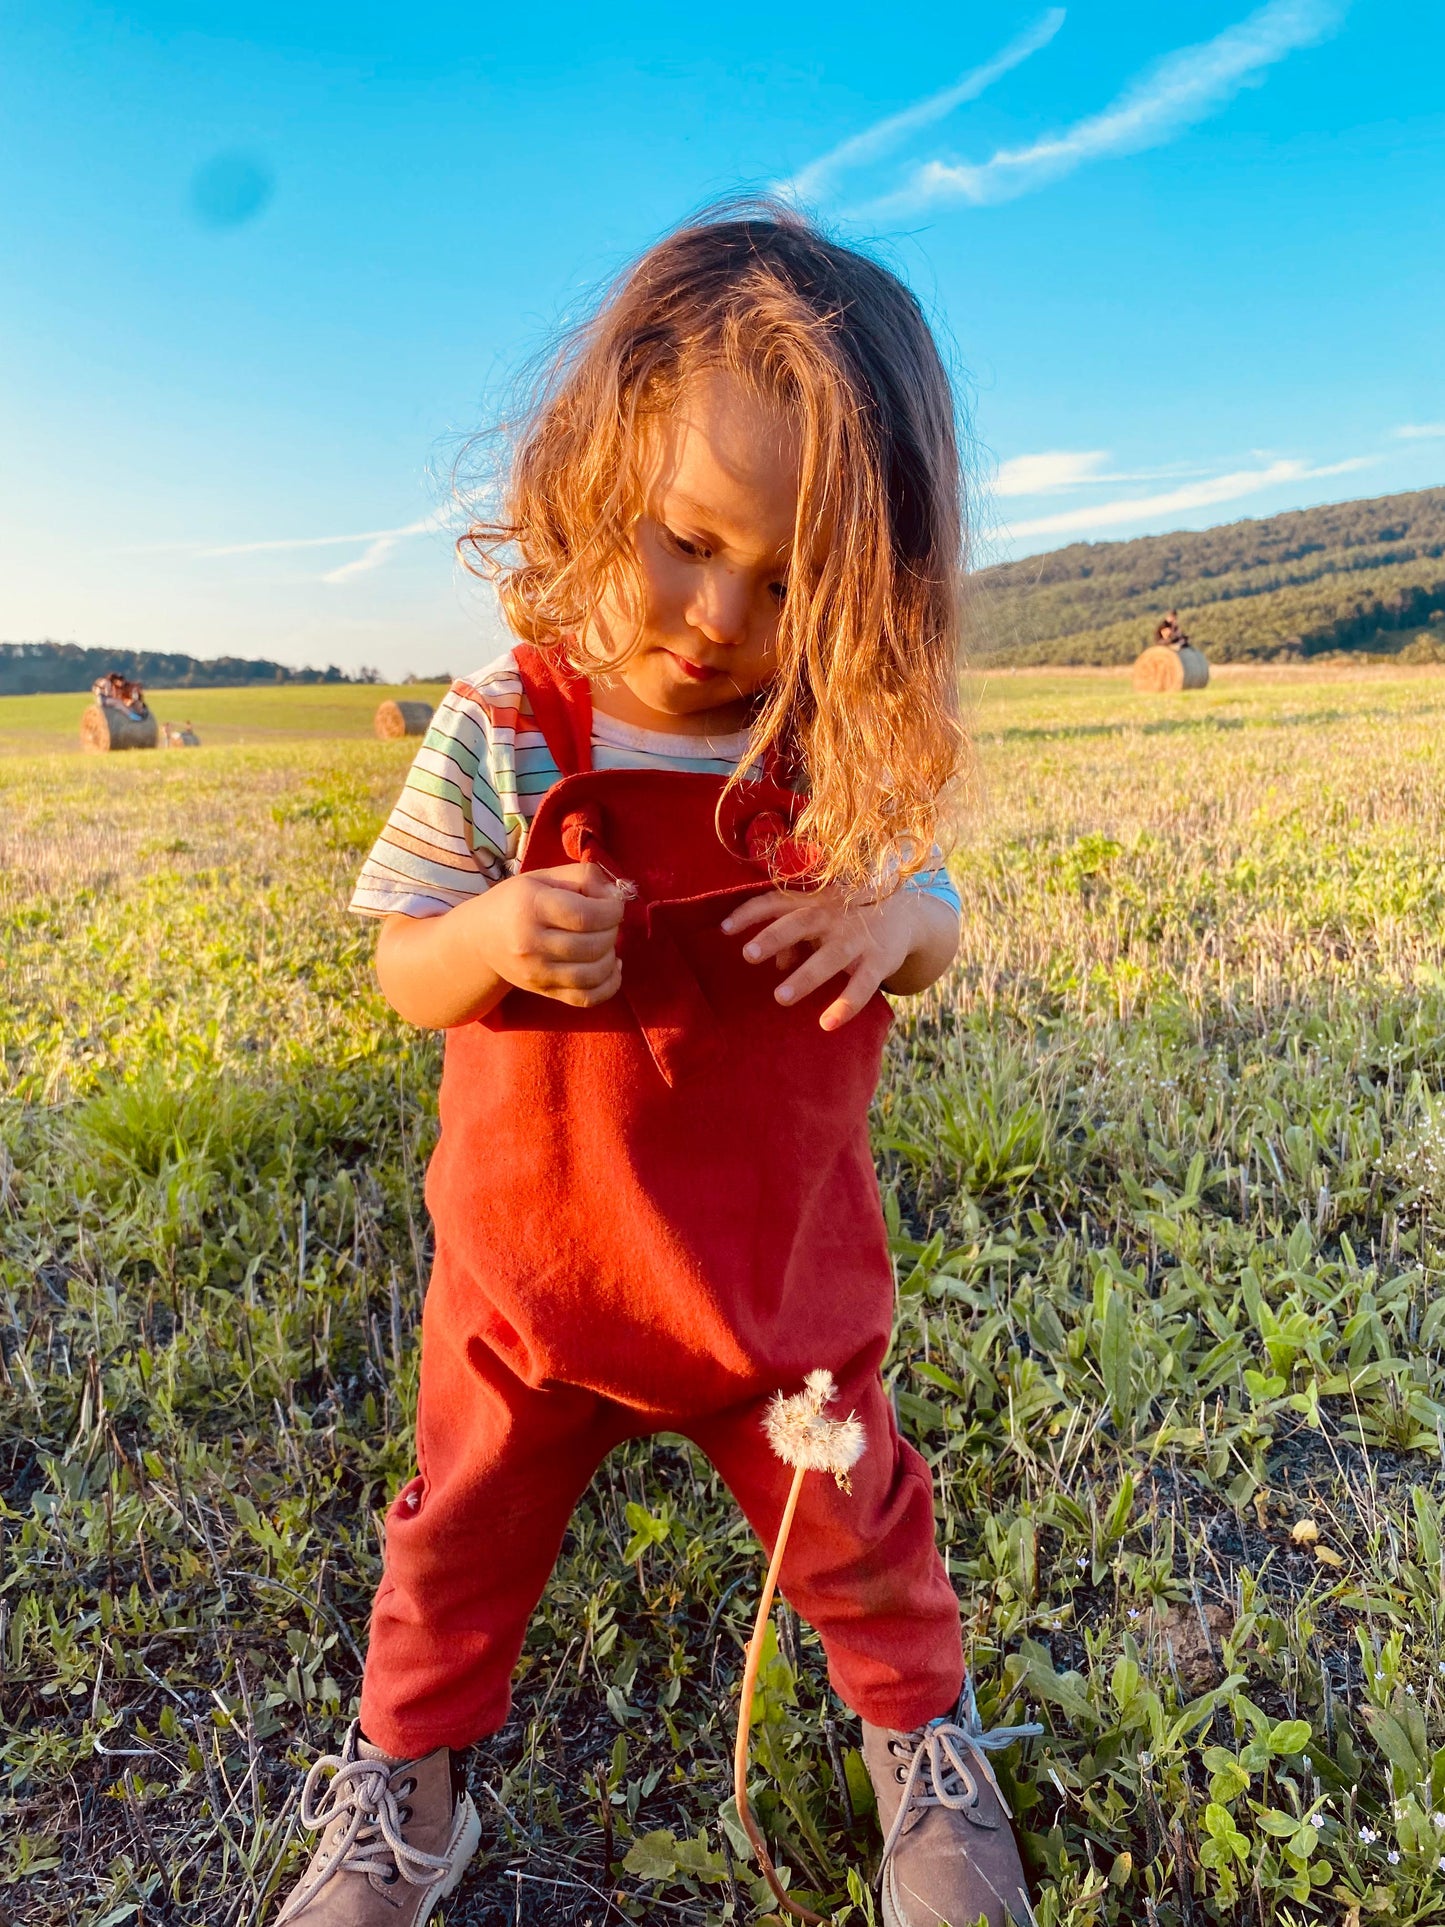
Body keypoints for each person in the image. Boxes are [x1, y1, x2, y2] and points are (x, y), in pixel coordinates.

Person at [274, 204, 1037, 1927]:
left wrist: (890, 928)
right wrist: (489, 940)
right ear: (601, 462)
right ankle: (409, 1785)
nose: (718, 615)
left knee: (857, 1525)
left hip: (774, 1291)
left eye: (790, 583)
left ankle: (919, 1740)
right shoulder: (503, 727)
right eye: (686, 541)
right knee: (451, 1538)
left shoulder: (827, 739)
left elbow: (935, 911)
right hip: (529, 1282)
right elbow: (404, 961)